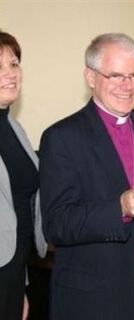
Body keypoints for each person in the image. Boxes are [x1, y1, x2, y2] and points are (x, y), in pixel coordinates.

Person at [39, 33, 134, 320]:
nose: (128, 86)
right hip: (96, 294)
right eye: (116, 75)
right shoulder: (61, 138)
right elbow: (57, 225)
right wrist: (120, 207)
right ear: (91, 77)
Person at [0, 31, 47, 320]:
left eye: (14, 63)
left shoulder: (14, 128)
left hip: (14, 270)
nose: (10, 73)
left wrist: (21, 284)